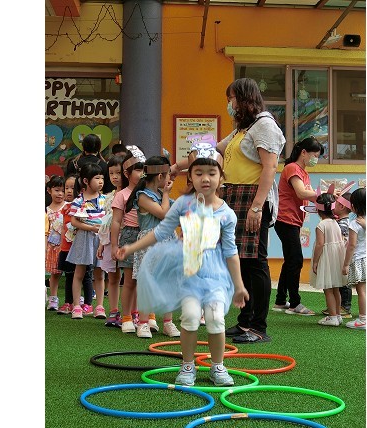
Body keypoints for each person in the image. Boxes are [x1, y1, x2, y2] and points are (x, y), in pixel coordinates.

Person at [116, 156, 249, 386]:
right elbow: (160, 232)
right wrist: (132, 247)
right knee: (190, 317)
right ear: (191, 178)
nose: (205, 178)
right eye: (198, 173)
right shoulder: (183, 205)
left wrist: (239, 286)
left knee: (215, 319)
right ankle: (187, 365)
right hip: (189, 274)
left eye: (211, 173)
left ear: (221, 178)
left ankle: (218, 366)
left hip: (216, 276)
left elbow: (231, 252)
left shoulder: (227, 214)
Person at [170, 77, 285, 344]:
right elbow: (210, 151)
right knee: (241, 260)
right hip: (235, 196)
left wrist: (257, 206)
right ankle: (244, 322)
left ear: (244, 98)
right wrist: (176, 167)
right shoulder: (243, 130)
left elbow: (269, 167)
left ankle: (258, 327)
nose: (229, 104)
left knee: (256, 261)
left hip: (252, 198)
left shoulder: (265, 125)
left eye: (231, 99)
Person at [125, 155, 181, 338]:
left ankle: (168, 322)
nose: (170, 179)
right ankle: (143, 323)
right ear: (160, 176)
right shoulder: (143, 196)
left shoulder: (159, 195)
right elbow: (164, 214)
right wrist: (166, 194)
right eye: (168, 175)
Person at [271, 137, 324, 316]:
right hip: (285, 219)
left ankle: (280, 300)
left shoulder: (304, 173)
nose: (316, 159)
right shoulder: (292, 168)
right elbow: (301, 192)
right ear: (304, 152)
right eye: (315, 155)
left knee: (290, 260)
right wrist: (323, 194)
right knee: (296, 260)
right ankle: (295, 303)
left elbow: (307, 197)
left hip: (293, 220)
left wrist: (325, 200)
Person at [65, 163, 107, 319]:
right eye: (97, 178)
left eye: (102, 178)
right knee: (79, 272)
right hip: (84, 237)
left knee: (99, 272)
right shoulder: (79, 200)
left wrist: (101, 230)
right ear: (85, 181)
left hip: (101, 238)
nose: (101, 181)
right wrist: (91, 228)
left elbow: (109, 218)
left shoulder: (105, 199)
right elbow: (74, 221)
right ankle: (76, 306)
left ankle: (100, 306)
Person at [111, 147, 145, 333]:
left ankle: (142, 316)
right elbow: (116, 221)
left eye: (144, 169)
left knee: (144, 280)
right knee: (130, 280)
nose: (142, 174)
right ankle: (126, 318)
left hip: (146, 236)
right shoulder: (121, 194)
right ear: (127, 173)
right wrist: (114, 245)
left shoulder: (149, 193)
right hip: (130, 236)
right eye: (138, 170)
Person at [56, 174, 94, 315]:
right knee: (69, 275)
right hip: (67, 247)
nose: (69, 191)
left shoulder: (84, 206)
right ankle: (69, 302)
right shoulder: (65, 208)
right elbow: (63, 228)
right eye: (66, 188)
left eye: (72, 188)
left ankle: (88, 304)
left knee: (86, 275)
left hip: (82, 246)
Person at [310, 191, 347, 326]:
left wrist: (315, 261)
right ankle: (337, 315)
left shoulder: (321, 225)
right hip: (336, 258)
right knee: (336, 288)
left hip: (326, 258)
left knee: (328, 289)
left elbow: (320, 244)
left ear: (318, 210)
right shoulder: (335, 223)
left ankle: (332, 317)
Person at [96, 154, 125, 325]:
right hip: (109, 240)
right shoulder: (108, 197)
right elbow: (106, 222)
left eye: (118, 173)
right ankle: (113, 311)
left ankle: (132, 312)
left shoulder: (131, 194)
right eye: (111, 173)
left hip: (126, 239)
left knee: (130, 278)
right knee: (113, 277)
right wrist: (102, 243)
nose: (114, 177)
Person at [323, 187, 354, 318]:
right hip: (339, 255)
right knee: (339, 281)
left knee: (344, 283)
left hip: (343, 256)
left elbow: (340, 238)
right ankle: (337, 306)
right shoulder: (340, 221)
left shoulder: (344, 223)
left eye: (335, 204)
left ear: (341, 206)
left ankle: (345, 307)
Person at [342, 187, 366, 329]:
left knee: (361, 290)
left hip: (359, 260)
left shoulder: (355, 224)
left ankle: (363, 320)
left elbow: (351, 245)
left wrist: (346, 264)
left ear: (354, 206)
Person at [45, 176, 66, 311]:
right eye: (57, 190)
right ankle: (53, 298)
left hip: (67, 245)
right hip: (52, 246)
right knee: (55, 272)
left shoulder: (68, 207)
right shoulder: (46, 210)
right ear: (49, 190)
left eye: (62, 190)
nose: (60, 194)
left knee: (72, 272)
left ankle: (74, 299)